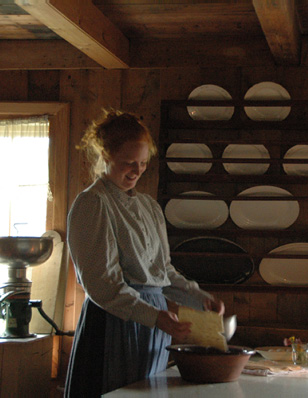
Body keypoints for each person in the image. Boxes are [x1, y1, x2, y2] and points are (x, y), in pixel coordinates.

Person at [64, 109, 225, 397]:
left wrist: (200, 299)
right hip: (116, 322)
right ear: (106, 157)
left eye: (143, 163)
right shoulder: (93, 204)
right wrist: (153, 316)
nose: (137, 171)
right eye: (128, 163)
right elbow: (103, 285)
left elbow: (163, 272)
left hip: (152, 324)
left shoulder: (149, 207)